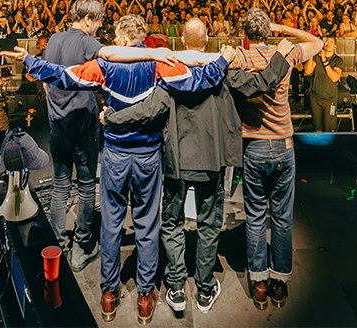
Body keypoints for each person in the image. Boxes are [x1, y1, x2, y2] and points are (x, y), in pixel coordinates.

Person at [5, 13, 229, 326]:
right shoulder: (158, 65)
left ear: (122, 40)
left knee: (111, 226)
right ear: (142, 40)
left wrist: (30, 60)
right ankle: (145, 297)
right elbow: (196, 81)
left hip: (115, 157)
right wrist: (222, 62)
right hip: (148, 157)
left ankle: (109, 294)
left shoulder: (105, 67)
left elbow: (64, 77)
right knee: (147, 226)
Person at [105, 20, 293, 315]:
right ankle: (205, 288)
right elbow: (262, 83)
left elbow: (148, 110)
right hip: (211, 162)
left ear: (181, 39)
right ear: (207, 40)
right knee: (208, 225)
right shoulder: (223, 71)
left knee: (171, 223)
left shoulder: (172, 72)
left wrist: (113, 117)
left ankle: (176, 286)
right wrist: (281, 54)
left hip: (176, 164)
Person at [228, 10, 322, 310]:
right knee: (281, 217)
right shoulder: (288, 53)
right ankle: (279, 282)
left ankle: (259, 283)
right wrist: (283, 28)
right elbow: (317, 42)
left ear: (245, 32)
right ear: (267, 32)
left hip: (253, 146)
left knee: (254, 217)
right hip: (282, 145)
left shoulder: (241, 58)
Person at [39, 0, 104, 272]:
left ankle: (56, 243)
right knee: (87, 185)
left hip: (57, 126)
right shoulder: (88, 42)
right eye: (99, 22)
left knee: (60, 185)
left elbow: (44, 80)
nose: (99, 28)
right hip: (83, 127)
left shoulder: (53, 39)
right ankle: (82, 246)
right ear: (88, 19)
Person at [304, 37, 344, 131]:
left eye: (331, 42)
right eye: (327, 42)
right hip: (315, 98)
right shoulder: (316, 57)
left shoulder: (337, 60)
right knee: (317, 127)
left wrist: (324, 60)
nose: (328, 44)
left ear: (335, 46)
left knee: (329, 127)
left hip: (330, 99)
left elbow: (334, 78)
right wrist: (311, 54)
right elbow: (307, 71)